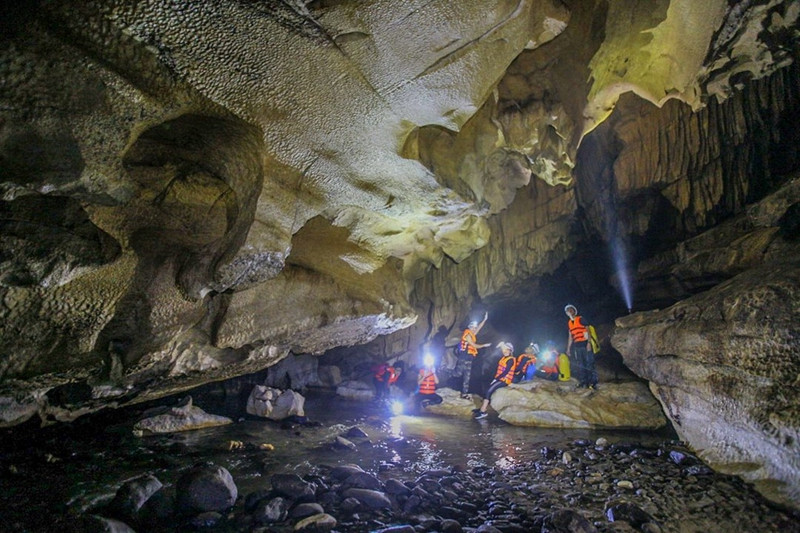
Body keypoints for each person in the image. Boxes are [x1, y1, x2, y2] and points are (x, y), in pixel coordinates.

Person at [473, 342, 516, 419]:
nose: (504, 351)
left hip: (504, 380)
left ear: (510, 351)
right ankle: (483, 408)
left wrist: (497, 378)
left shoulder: (511, 360)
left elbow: (506, 371)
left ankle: (483, 412)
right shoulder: (504, 358)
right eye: (504, 350)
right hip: (500, 378)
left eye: (507, 350)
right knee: (486, 389)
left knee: (489, 391)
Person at [454, 311, 490, 399]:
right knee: (458, 373)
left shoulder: (472, 333)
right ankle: (447, 371)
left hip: (469, 358)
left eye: (475, 328)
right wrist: (484, 345)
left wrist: (484, 320)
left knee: (467, 376)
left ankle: (464, 393)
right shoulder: (468, 336)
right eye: (473, 328)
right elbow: (474, 345)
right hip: (463, 357)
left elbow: (479, 329)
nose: (474, 329)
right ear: (470, 328)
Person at [565, 304, 597, 389]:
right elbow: (570, 336)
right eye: (568, 310)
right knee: (581, 365)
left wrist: (589, 343)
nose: (570, 312)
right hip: (577, 346)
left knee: (589, 364)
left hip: (585, 344)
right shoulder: (569, 323)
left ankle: (593, 383)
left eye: (571, 310)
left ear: (574, 311)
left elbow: (588, 331)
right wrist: (568, 348)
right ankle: (584, 382)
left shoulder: (581, 319)